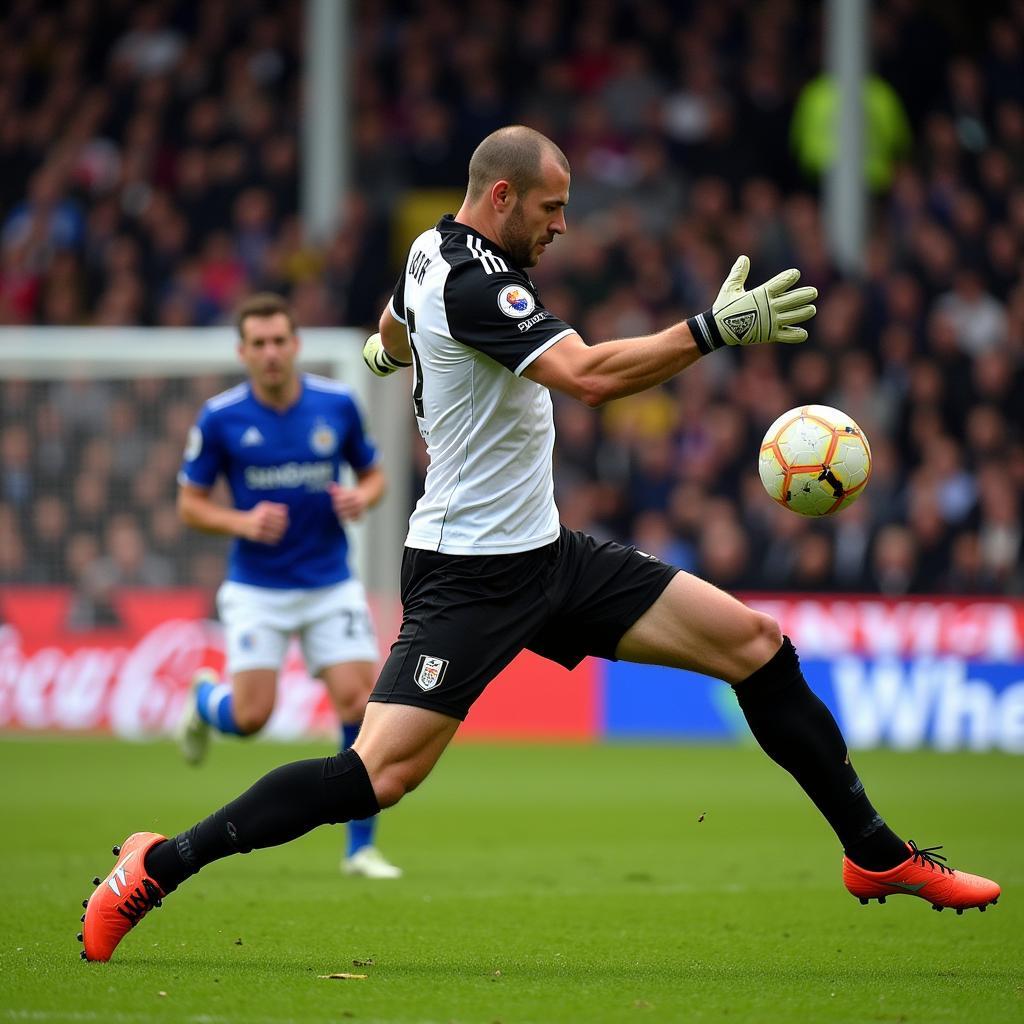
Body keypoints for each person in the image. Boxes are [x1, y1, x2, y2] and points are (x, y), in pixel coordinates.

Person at [80, 126, 999, 963]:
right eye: (553, 208)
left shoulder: (431, 247)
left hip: (548, 555)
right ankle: (158, 863)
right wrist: (713, 330)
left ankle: (877, 857)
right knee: (377, 775)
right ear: (504, 198)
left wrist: (389, 350)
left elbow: (398, 313)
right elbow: (590, 377)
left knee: (757, 647)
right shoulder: (480, 283)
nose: (563, 226)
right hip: (465, 579)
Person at [172, 292, 401, 880]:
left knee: (359, 703)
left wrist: (362, 497)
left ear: (296, 345)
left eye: (281, 341)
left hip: (329, 581)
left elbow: (374, 474)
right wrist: (242, 522)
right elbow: (190, 505)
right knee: (251, 717)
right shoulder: (221, 417)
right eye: (260, 344)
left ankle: (360, 849)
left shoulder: (337, 405)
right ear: (243, 351)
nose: (272, 353)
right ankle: (203, 703)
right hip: (257, 587)